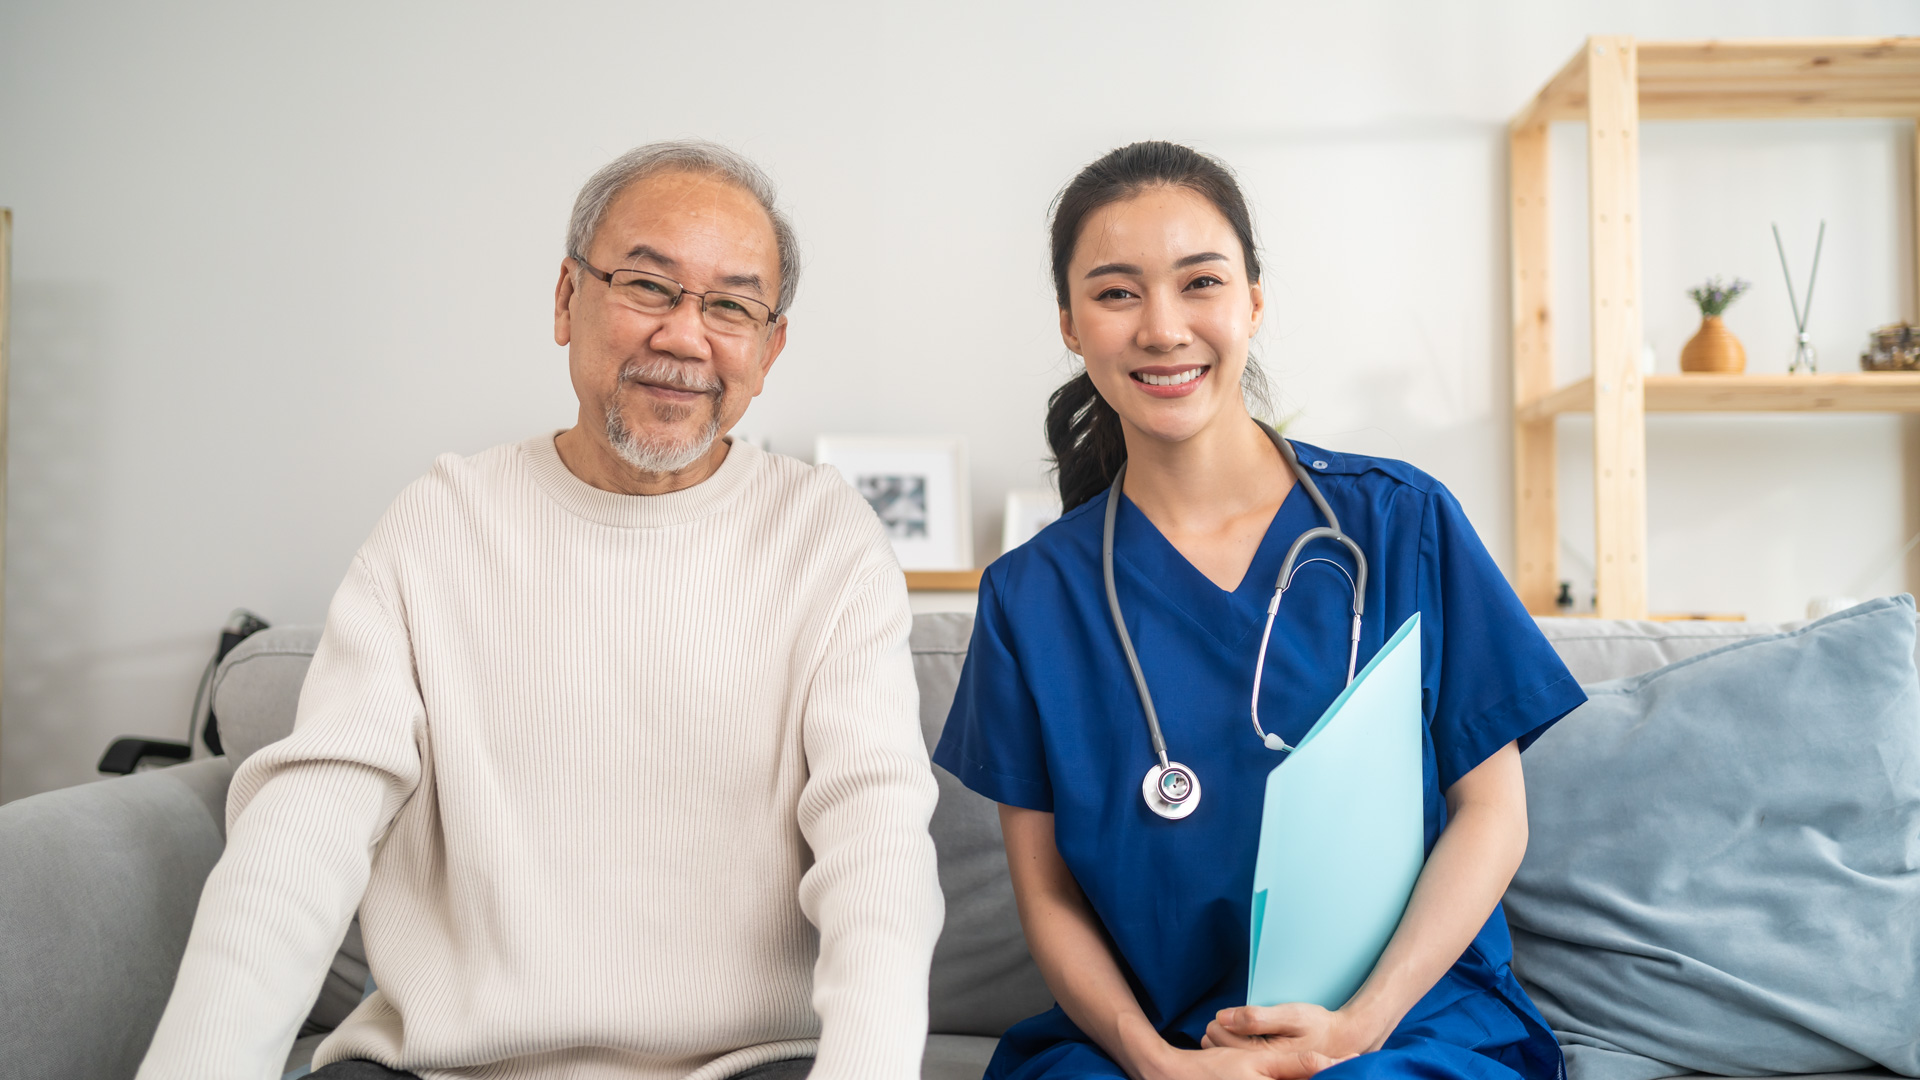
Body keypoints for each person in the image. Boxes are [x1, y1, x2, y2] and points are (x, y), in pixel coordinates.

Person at [138, 141, 945, 1080]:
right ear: (567, 299)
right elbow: (302, 834)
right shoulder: (440, 522)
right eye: (648, 286)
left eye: (730, 305)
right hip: (445, 1066)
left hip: (741, 1063)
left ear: (768, 348)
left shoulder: (825, 536)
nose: (685, 338)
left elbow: (877, 846)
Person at [932, 142, 1585, 1080]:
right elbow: (1049, 894)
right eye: (1117, 293)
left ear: (1253, 302)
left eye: (1200, 282)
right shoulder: (1033, 599)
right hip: (1153, 1040)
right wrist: (1150, 1058)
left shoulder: (1403, 522)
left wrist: (1359, 1026)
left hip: (1401, 1022)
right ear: (1072, 326)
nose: (1163, 327)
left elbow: (1491, 813)